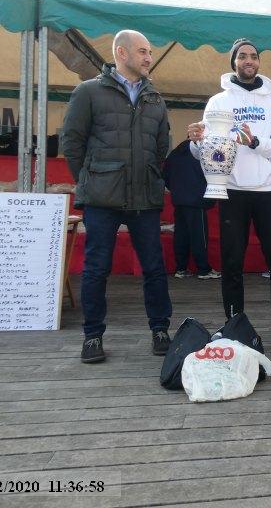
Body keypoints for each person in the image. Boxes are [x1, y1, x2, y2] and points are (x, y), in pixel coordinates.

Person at [62, 29, 172, 363]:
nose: (149, 58)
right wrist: (92, 180)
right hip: (102, 198)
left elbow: (161, 147)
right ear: (121, 53)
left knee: (154, 268)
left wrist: (147, 175)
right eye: (143, 51)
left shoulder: (155, 97)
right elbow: (71, 143)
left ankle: (160, 330)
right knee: (96, 268)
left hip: (144, 196)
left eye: (149, 52)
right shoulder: (88, 91)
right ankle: (92, 336)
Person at [187, 38, 271, 352]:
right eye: (242, 56)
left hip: (267, 191)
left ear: (259, 62)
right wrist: (196, 141)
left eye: (253, 56)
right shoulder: (218, 101)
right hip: (232, 190)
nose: (249, 60)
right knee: (232, 262)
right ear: (233, 62)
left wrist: (254, 142)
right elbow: (204, 153)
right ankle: (233, 324)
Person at [163, 139, 220, 280]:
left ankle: (181, 269)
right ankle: (203, 269)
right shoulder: (203, 152)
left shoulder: (174, 154)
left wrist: (176, 190)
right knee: (199, 236)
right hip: (197, 200)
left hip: (179, 200)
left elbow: (165, 175)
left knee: (181, 235)